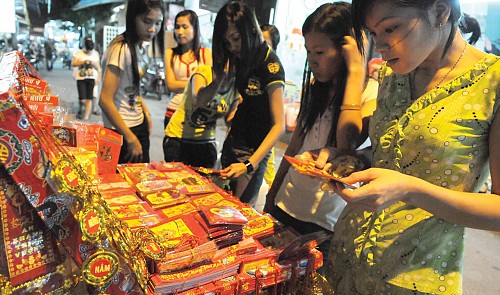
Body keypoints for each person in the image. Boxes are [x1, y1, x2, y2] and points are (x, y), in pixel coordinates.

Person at [321, 0, 500, 294]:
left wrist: (410, 189)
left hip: (415, 275)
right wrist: (346, 160)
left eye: (390, 28)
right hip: (346, 254)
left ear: (440, 13)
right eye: (374, 34)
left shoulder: (492, 81)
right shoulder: (393, 75)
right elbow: (389, 159)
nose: (380, 46)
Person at [263, 2, 377, 272]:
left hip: (323, 221)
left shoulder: (370, 93)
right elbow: (295, 144)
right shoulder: (317, 88)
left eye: (321, 51)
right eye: (308, 51)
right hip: (285, 204)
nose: (312, 60)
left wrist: (356, 72)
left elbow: (347, 145)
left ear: (346, 51)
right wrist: (273, 193)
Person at [214, 1, 286, 208]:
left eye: (236, 38)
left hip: (252, 154)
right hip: (234, 141)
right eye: (227, 42)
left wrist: (249, 164)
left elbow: (279, 126)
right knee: (219, 206)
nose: (233, 47)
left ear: (251, 29)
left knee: (238, 213)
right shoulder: (241, 58)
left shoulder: (270, 65)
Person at [99, 0, 165, 164]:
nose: (152, 29)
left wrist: (145, 112)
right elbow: (105, 100)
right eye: (147, 22)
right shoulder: (121, 49)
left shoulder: (139, 46)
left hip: (137, 124)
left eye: (158, 23)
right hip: (122, 131)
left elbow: (132, 89)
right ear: (133, 17)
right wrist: (131, 139)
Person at [163, 64, 240, 168]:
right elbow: (199, 99)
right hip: (179, 139)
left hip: (206, 141)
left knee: (203, 182)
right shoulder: (203, 72)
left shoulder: (236, 86)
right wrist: (219, 80)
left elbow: (229, 119)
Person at [164, 10, 212, 128]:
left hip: (198, 113)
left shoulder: (206, 53)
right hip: (173, 112)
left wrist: (180, 84)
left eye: (185, 27)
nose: (180, 32)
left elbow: (210, 84)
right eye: (177, 27)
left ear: (195, 29)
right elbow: (171, 85)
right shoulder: (170, 54)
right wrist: (196, 84)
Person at [260, 23, 281, 188]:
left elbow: (278, 124)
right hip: (241, 142)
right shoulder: (247, 69)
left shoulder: (274, 76)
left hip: (264, 141)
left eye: (265, 43)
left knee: (266, 183)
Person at [72, 36, 101, 120]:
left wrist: (98, 78)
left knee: (90, 97)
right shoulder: (79, 53)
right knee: (82, 99)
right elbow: (74, 64)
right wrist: (83, 61)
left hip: (92, 77)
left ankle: (86, 116)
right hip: (81, 77)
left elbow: (99, 68)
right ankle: (83, 109)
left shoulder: (95, 53)